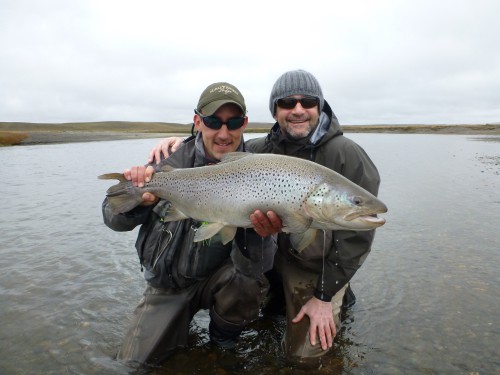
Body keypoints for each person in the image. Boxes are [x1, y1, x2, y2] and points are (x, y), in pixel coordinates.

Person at [148, 70, 382, 362]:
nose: (298, 110)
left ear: (319, 107)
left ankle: (336, 297)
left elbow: (357, 240)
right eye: (287, 103)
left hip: (314, 270)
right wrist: (181, 142)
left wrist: (325, 295)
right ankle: (270, 305)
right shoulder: (261, 149)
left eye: (308, 102)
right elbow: (218, 149)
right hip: (270, 262)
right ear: (275, 111)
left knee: (305, 361)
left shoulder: (348, 154)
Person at [102, 82, 278, 365]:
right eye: (212, 121)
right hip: (167, 285)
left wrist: (259, 233)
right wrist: (138, 202)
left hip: (219, 281)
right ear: (197, 122)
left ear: (244, 124)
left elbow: (260, 266)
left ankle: (223, 342)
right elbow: (112, 218)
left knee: (248, 281)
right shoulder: (168, 161)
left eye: (233, 122)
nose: (223, 133)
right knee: (135, 363)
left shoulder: (258, 172)